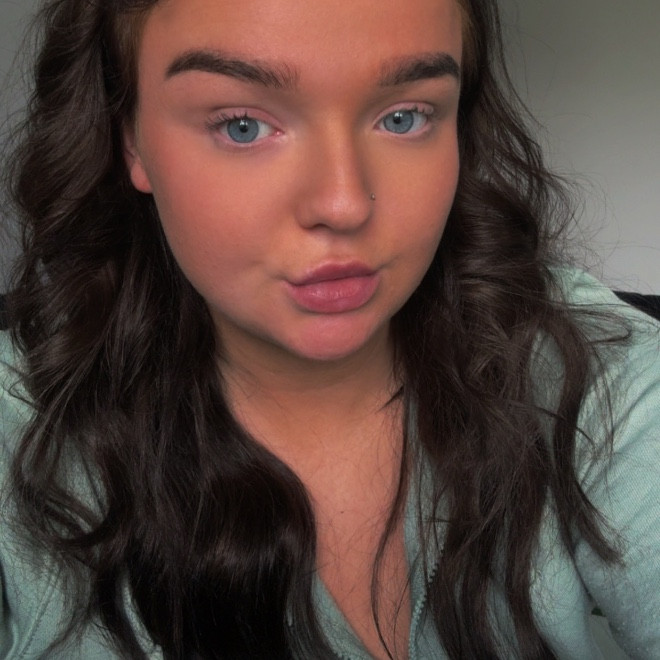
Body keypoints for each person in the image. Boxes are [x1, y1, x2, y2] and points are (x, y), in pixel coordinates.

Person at [0, 0, 658, 658]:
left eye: (404, 117)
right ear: (131, 139)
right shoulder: (20, 429)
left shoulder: (588, 368)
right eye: (242, 126)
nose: (344, 204)